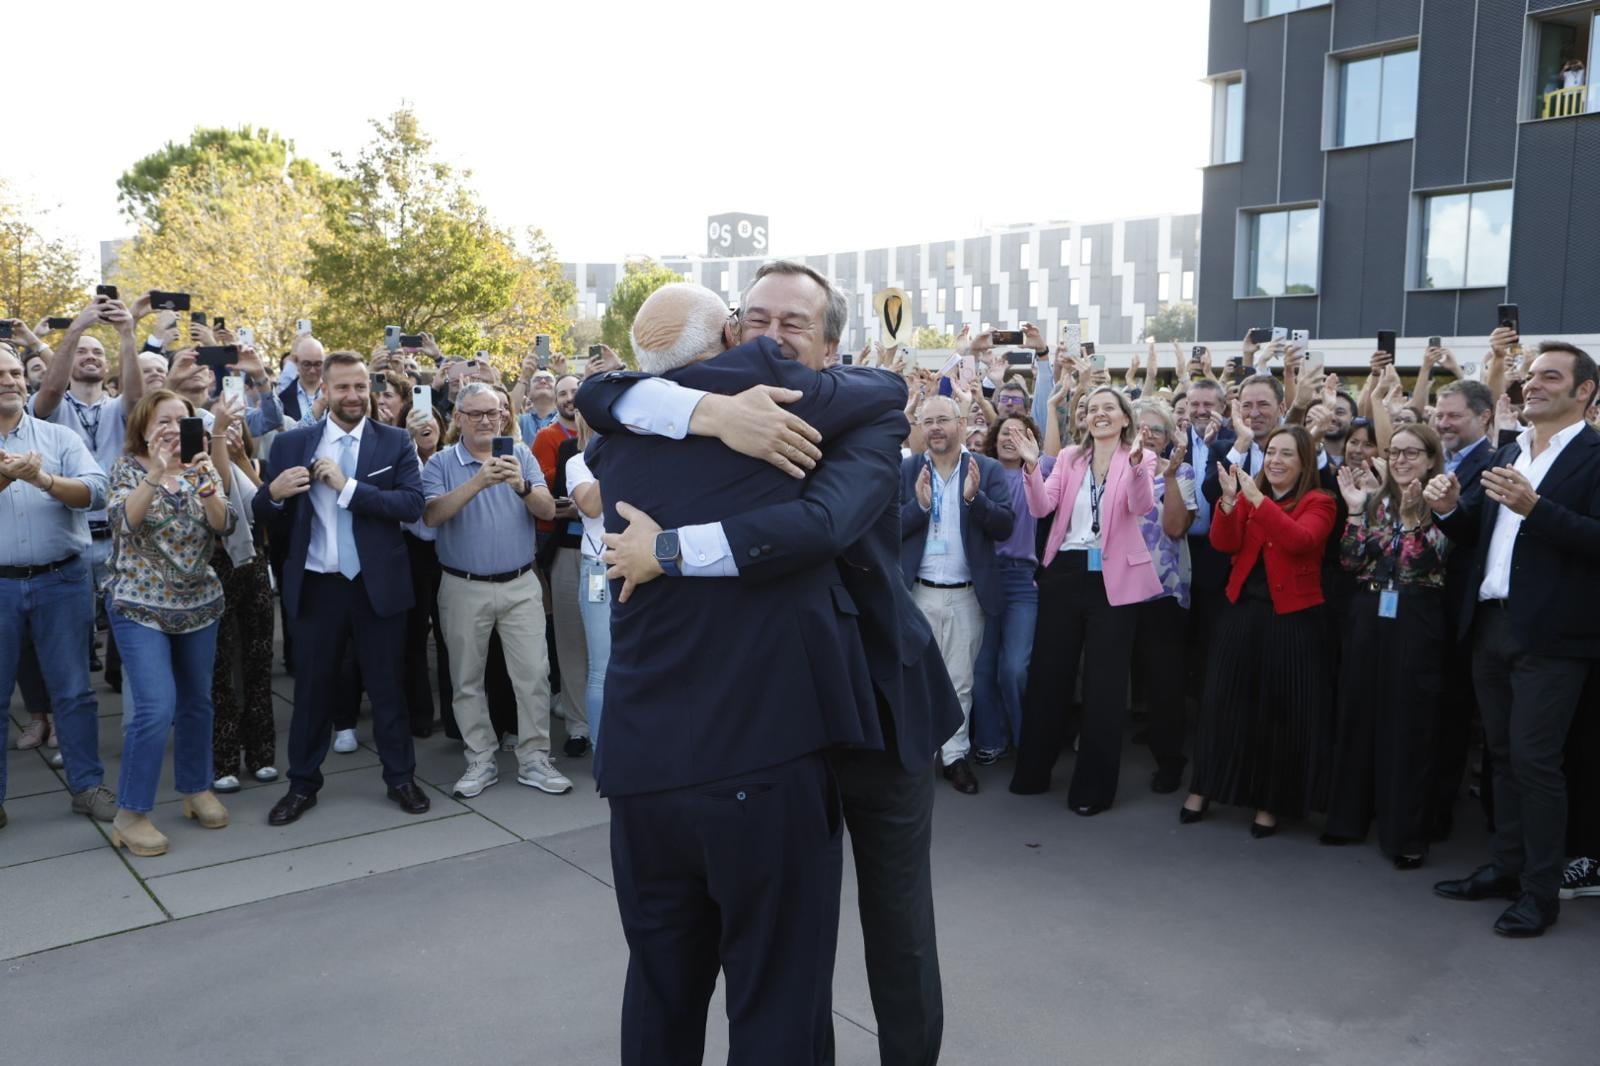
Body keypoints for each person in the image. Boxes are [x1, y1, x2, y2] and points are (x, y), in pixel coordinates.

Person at [578, 264, 960, 1066]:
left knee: (898, 933)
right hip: (777, 728)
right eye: (755, 318)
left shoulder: (859, 415)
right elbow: (602, 392)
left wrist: (670, 551)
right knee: (786, 959)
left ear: (831, 344)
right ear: (727, 330)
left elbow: (820, 525)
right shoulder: (686, 414)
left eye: (794, 322)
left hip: (879, 709)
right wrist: (713, 411)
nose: (770, 335)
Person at [1428, 342, 1600, 938]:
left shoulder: (1597, 455)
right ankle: (1505, 868)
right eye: (1530, 376)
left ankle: (1540, 891)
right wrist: (1450, 509)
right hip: (1493, 624)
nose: (1534, 384)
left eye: (1550, 376)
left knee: (1536, 763)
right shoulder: (1511, 450)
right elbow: (1479, 532)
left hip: (1554, 636)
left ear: (1585, 391)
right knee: (1500, 757)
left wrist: (1538, 507)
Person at [253, 350, 429, 826]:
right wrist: (272, 494)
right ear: (325, 391)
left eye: (359, 387)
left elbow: (412, 505)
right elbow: (261, 511)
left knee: (388, 687)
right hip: (318, 586)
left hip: (378, 585)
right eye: (342, 387)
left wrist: (348, 487)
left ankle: (400, 778)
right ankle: (302, 784)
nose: (352, 396)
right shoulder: (293, 445)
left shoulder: (394, 441)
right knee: (311, 690)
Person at [1009, 386, 1157, 816]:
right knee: (1048, 677)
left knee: (1104, 686)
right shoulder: (1071, 457)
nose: (1100, 414)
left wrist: (1134, 469)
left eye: (1109, 408)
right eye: (1092, 409)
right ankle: (1032, 774)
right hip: (1066, 573)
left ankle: (1092, 789)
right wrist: (1034, 465)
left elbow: (1141, 506)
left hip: (1115, 580)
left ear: (1125, 417)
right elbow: (1041, 508)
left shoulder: (1140, 457)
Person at [1184, 426, 1337, 837]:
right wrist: (1230, 505)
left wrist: (1256, 500)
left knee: (1279, 716)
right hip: (1242, 614)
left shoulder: (1319, 502)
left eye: (1287, 454)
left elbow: (1299, 540)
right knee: (1220, 703)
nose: (1276, 460)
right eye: (1271, 452)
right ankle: (1203, 788)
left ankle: (1269, 803)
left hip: (1291, 621)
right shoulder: (1253, 498)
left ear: (1304, 463)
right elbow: (1223, 543)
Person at [102, 390, 235, 855]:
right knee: (155, 708)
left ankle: (197, 789)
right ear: (144, 426)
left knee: (197, 701)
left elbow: (223, 526)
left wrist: (206, 485)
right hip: (139, 604)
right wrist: (156, 472)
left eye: (184, 419)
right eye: (166, 421)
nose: (176, 428)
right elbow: (125, 524)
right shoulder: (127, 469)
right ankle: (131, 813)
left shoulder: (202, 466)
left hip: (200, 602)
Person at [422, 382, 568, 798]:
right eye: (476, 414)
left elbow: (546, 511)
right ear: (458, 419)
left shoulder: (520, 455)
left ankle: (535, 758)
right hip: (463, 585)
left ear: (505, 416)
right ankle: (480, 757)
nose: (487, 420)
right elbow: (431, 517)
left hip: (521, 583)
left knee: (535, 675)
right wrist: (478, 482)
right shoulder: (440, 463)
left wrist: (521, 485)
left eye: (494, 413)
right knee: (466, 678)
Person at [1323, 426, 1450, 868]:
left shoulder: (1443, 500)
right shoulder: (1375, 499)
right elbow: (1350, 560)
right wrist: (1356, 512)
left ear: (1432, 458)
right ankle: (1346, 819)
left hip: (1416, 617)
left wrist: (1414, 520)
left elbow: (1421, 559)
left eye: (1411, 452)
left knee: (1408, 723)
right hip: (1367, 610)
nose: (1400, 460)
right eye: (1394, 452)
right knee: (1357, 712)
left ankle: (1405, 835)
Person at [0, 344, 115, 829]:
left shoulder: (57, 435)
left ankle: (86, 786)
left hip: (62, 580)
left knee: (74, 692)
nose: (10, 380)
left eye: (13, 372)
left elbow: (97, 491)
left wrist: (44, 479)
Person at [899, 395, 1015, 794]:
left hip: (967, 594)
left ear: (961, 423)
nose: (934, 428)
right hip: (918, 592)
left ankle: (955, 756)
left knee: (959, 681)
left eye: (942, 420)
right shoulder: (908, 469)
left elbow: (1005, 526)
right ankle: (920, 758)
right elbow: (885, 528)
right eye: (927, 420)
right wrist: (918, 506)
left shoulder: (987, 469)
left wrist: (973, 500)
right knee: (916, 680)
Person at [1427, 380, 1497, 838]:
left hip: (1463, 612)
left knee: (1454, 717)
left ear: (1485, 417)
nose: (1443, 422)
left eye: (1454, 416)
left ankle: (1442, 815)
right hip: (1428, 609)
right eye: (1440, 414)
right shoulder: (1435, 461)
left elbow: (1469, 531)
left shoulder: (1492, 466)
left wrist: (1448, 509)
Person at [971, 414, 1053, 765]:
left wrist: (1053, 402)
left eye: (1020, 433)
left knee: (1015, 667)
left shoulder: (1040, 472)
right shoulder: (979, 472)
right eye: (1005, 432)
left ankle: (1025, 739)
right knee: (982, 666)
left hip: (1023, 579)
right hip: (984, 576)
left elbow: (1054, 451)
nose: (1011, 438)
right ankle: (991, 738)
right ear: (994, 437)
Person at [1131, 400, 1198, 793]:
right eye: (1140, 426)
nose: (1147, 434)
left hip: (1163, 591)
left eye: (1156, 428)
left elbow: (1174, 528)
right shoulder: (1114, 465)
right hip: (1116, 589)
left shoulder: (1182, 470)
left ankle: (1170, 761)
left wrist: (1169, 476)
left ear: (1169, 434)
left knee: (1164, 681)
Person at [209, 416, 278, 792]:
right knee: (219, 670)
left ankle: (262, 753)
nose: (230, 436)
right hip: (213, 569)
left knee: (257, 661)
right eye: (221, 431)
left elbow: (267, 507)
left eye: (236, 430)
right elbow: (219, 491)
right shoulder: (197, 470)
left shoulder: (255, 467)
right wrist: (218, 442)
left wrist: (243, 463)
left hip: (253, 566)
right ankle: (224, 759)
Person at [401, 402, 453, 738]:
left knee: (451, 637)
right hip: (412, 553)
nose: (425, 424)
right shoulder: (401, 461)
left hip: (449, 551)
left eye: (430, 418)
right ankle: (419, 715)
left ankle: (454, 719)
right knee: (414, 637)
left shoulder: (451, 459)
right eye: (417, 420)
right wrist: (407, 446)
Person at [564, 415, 611, 751]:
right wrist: (616, 454)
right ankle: (602, 750)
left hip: (642, 566)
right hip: (598, 570)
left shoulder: (641, 454)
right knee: (602, 667)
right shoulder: (577, 462)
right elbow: (591, 507)